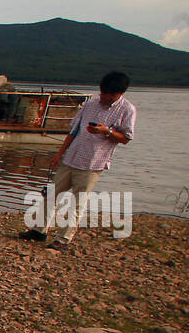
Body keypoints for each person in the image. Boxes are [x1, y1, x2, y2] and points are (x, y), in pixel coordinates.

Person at [22, 71, 136, 250]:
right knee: (51, 195)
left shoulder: (127, 109)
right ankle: (39, 230)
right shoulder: (90, 104)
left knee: (77, 202)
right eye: (103, 92)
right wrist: (59, 154)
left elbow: (126, 138)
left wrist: (106, 132)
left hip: (93, 163)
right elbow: (73, 131)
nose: (105, 97)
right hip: (71, 158)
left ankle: (63, 239)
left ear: (120, 93)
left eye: (110, 94)